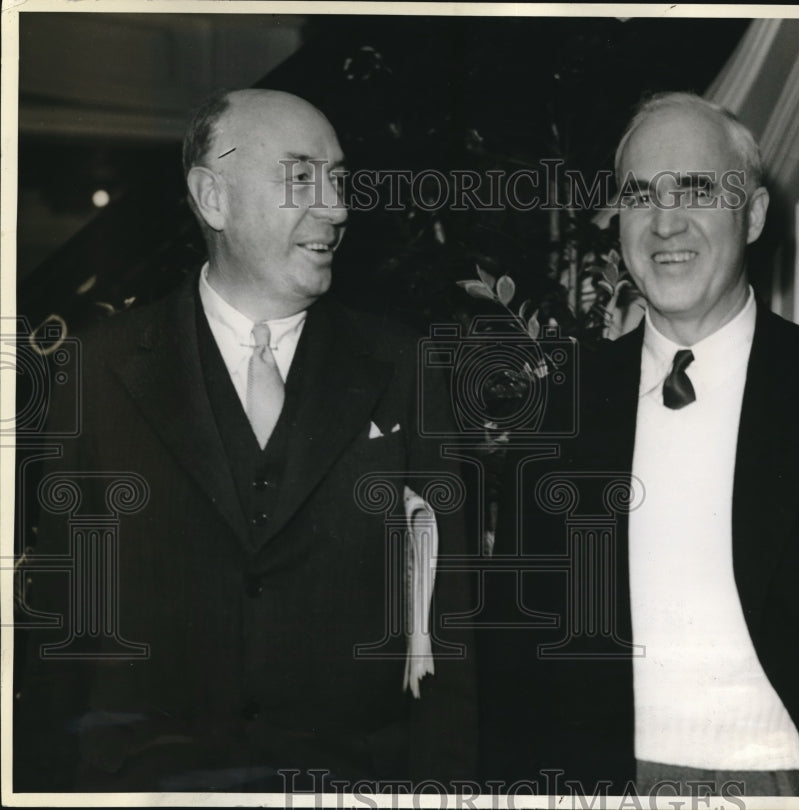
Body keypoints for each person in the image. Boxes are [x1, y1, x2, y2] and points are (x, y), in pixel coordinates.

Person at [480, 92, 799, 798]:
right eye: (640, 195)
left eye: (696, 190)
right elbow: (512, 659)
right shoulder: (558, 411)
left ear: (754, 214)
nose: (666, 222)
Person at [15, 89, 476, 792]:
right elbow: (59, 635)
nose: (336, 208)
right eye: (301, 177)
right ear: (213, 198)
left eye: (339, 180)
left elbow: (450, 642)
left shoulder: (407, 367)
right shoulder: (96, 371)